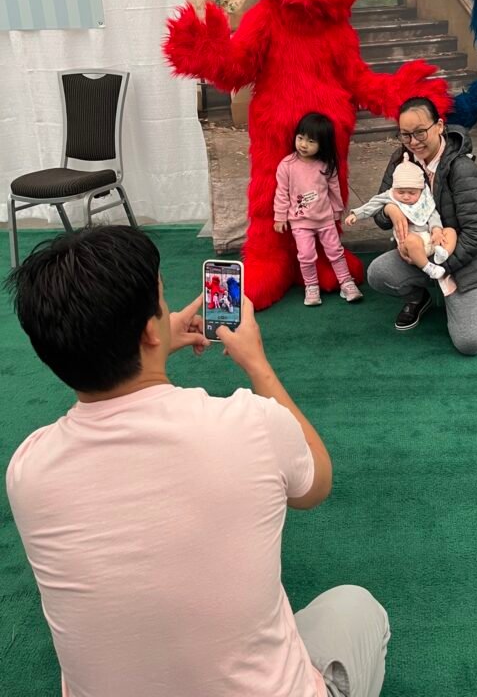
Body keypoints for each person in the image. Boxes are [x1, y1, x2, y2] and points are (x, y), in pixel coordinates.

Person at [5, 226, 389, 697]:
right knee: (357, 607)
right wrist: (256, 363)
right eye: (161, 302)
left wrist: (152, 343)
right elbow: (316, 483)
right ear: (151, 327)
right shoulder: (251, 423)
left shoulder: (27, 470)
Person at [366, 97, 477, 355]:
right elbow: (379, 216)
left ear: (439, 126)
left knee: (470, 344)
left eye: (420, 132)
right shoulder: (401, 160)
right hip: (423, 252)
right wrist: (390, 210)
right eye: (406, 135)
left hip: (464, 259)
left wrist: (439, 268)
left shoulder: (461, 168)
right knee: (378, 273)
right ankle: (420, 296)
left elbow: (476, 234)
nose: (414, 142)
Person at [274, 112, 363, 306]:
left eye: (311, 141)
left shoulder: (326, 165)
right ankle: (311, 286)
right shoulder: (287, 165)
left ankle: (346, 282)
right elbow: (281, 192)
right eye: (300, 138)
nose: (303, 144)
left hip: (325, 219)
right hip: (300, 222)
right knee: (305, 255)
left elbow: (334, 189)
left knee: (335, 251)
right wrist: (280, 217)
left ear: (323, 144)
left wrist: (337, 211)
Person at [345, 160, 457, 281]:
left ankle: (443, 253)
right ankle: (428, 267)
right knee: (412, 240)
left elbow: (432, 214)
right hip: (410, 244)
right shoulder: (390, 196)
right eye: (401, 192)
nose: (406, 196)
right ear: (394, 188)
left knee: (450, 232)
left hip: (432, 239)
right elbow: (373, 204)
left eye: (412, 193)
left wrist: (436, 230)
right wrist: (356, 214)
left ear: (420, 189)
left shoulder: (424, 198)